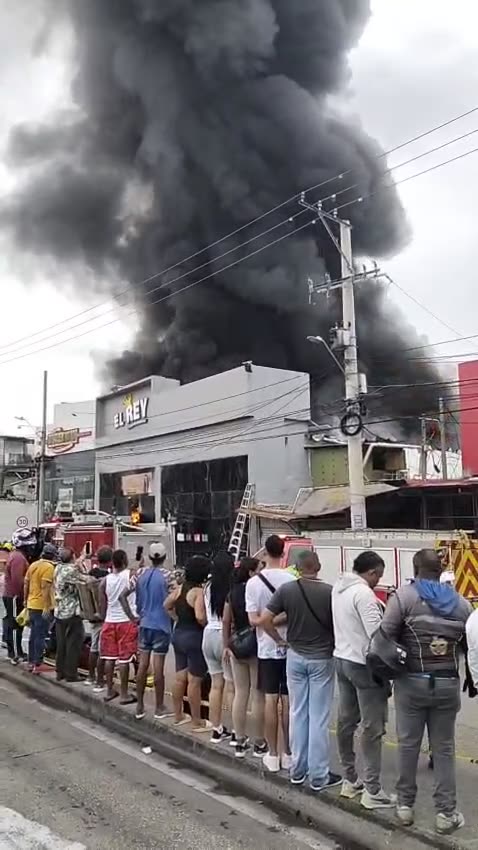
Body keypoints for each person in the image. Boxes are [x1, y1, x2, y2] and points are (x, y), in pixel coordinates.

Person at [381, 548, 472, 835]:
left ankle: (405, 808)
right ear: (439, 568)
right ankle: (446, 814)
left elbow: (385, 635)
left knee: (408, 745)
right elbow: (468, 646)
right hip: (446, 683)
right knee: (444, 749)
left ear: (416, 568)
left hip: (412, 681)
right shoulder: (461, 604)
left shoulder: (405, 597)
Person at [263, 550, 340, 790]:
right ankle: (318, 776)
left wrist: (278, 640)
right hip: (321, 659)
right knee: (318, 717)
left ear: (297, 567)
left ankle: (297, 770)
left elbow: (265, 619)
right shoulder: (330, 592)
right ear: (317, 566)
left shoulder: (287, 590)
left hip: (294, 657)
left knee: (298, 713)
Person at [332, 550, 393, 809]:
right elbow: (376, 636)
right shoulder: (364, 594)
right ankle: (372, 790)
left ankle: (350, 779)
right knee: (372, 726)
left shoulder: (339, 588)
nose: (378, 580)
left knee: (346, 721)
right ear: (370, 572)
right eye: (378, 575)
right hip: (363, 664)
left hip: (341, 659)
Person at [246, 534, 295, 772]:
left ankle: (272, 754)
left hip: (265, 648)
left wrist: (267, 622)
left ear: (265, 552)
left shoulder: (253, 583)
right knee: (287, 702)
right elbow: (294, 613)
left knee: (269, 700)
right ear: (283, 552)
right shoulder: (291, 580)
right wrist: (279, 621)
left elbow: (253, 619)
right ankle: (288, 753)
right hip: (289, 648)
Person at [120, 542, 172, 720]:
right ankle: (159, 707)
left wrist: (132, 616)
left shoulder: (140, 574)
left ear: (150, 557)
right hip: (162, 625)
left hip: (144, 623)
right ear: (164, 558)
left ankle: (140, 706)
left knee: (142, 666)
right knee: (158, 668)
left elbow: (122, 596)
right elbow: (173, 598)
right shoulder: (168, 576)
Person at [223, 556, 266, 758]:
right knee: (258, 695)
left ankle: (239, 740)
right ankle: (259, 742)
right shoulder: (256, 590)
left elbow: (226, 621)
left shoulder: (232, 593)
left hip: (237, 646)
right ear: (250, 572)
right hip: (256, 646)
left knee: (240, 693)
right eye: (259, 568)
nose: (261, 571)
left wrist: (226, 645)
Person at [165, 555, 210, 732]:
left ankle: (178, 715)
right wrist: (206, 625)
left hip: (179, 633)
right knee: (195, 680)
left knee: (179, 677)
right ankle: (197, 720)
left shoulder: (180, 588)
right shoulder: (198, 592)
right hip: (193, 636)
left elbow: (167, 605)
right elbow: (199, 615)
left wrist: (176, 618)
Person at [201, 550, 234, 743]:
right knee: (231, 687)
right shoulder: (230, 587)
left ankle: (216, 728)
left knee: (216, 685)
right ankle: (236, 731)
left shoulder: (207, 587)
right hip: (224, 635)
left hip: (208, 635)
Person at [99, 549, 138, 705]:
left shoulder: (104, 581)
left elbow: (102, 606)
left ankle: (109, 690)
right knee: (124, 660)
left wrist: (103, 618)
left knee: (109, 657)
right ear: (124, 561)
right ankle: (124, 693)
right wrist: (133, 618)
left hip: (109, 621)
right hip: (126, 622)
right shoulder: (129, 576)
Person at [53, 547, 88, 682]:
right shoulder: (71, 571)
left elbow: (73, 567)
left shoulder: (58, 568)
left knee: (61, 643)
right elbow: (87, 579)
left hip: (59, 611)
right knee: (74, 642)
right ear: (72, 557)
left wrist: (82, 557)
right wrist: (82, 566)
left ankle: (59, 672)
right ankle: (71, 674)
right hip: (71, 612)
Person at [24, 543, 57, 674]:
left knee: (33, 635)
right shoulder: (48, 567)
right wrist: (47, 606)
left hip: (32, 604)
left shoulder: (33, 565)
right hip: (41, 606)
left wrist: (25, 601)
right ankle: (38, 663)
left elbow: (26, 583)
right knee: (41, 635)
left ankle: (30, 661)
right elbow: (45, 587)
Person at [84, 545, 112, 691]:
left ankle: (90, 676)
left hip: (93, 617)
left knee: (94, 648)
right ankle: (100, 681)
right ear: (109, 561)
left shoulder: (90, 574)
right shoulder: (107, 577)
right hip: (104, 617)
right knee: (103, 650)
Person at [3, 541, 29, 663]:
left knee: (12, 622)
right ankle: (15, 653)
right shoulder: (18, 558)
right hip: (14, 595)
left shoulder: (14, 556)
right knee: (15, 623)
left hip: (11, 594)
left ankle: (15, 651)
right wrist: (23, 596)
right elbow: (18, 580)